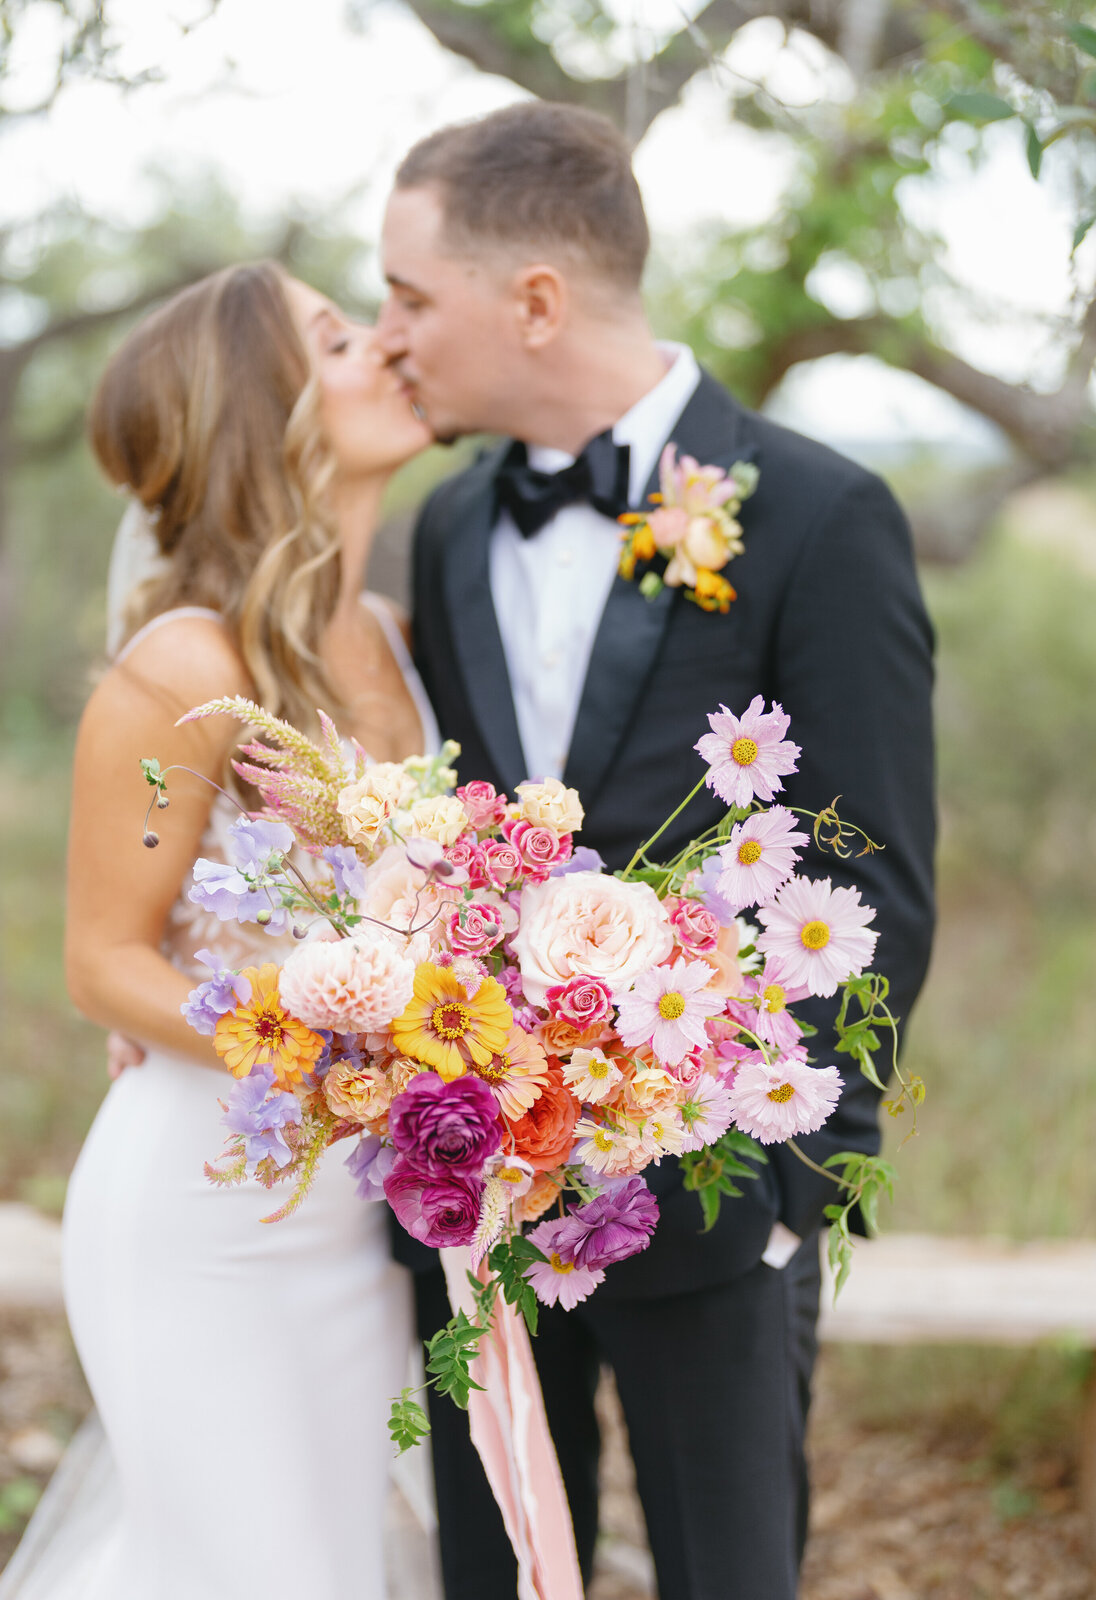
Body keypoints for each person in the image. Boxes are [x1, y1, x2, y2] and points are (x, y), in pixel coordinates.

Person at [376, 102, 936, 1600]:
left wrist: (777, 1177)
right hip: (479, 1190)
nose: (391, 338)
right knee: (492, 1576)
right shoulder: (442, 528)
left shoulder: (821, 515)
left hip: (713, 1192)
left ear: (536, 301)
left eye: (411, 296)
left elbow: (871, 883)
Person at [0, 261, 435, 1600]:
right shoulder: (181, 678)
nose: (387, 348)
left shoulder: (400, 639)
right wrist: (313, 1056)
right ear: (268, 407)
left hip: (358, 1227)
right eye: (340, 336)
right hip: (206, 1211)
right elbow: (107, 961)